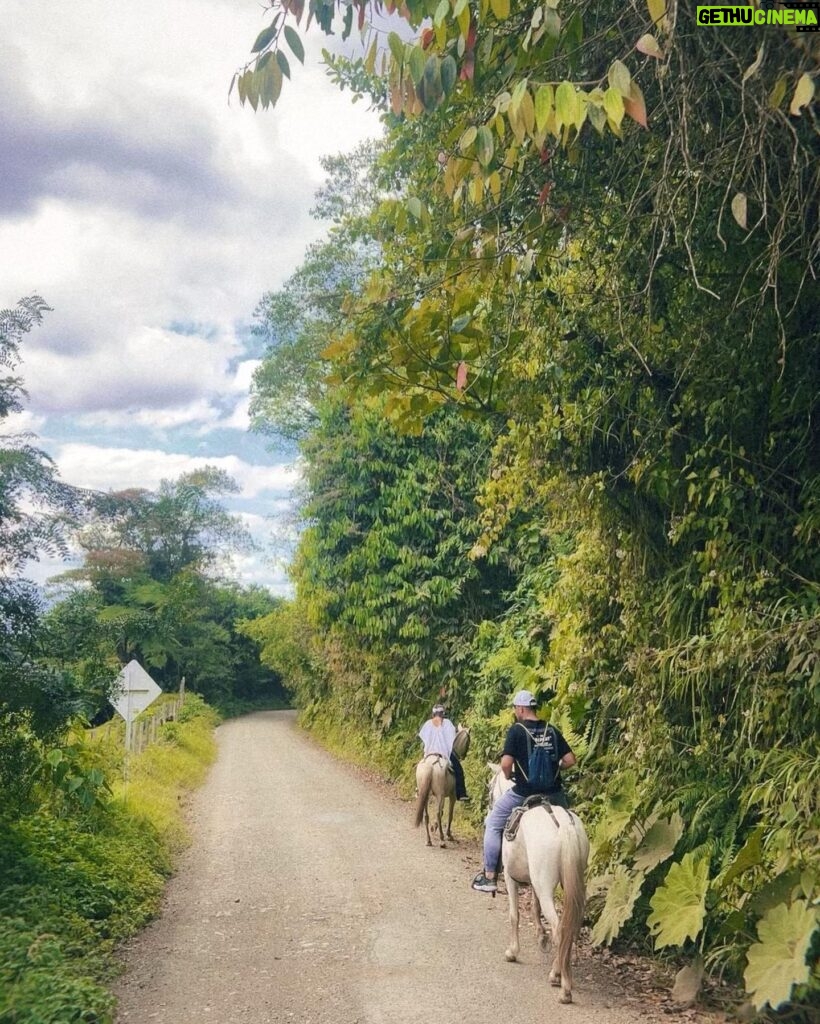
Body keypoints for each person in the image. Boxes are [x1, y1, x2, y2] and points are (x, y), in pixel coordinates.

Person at [471, 689, 576, 894]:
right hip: (554, 794)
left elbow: (506, 764)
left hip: (524, 793)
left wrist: (509, 775)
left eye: (515, 709)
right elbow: (571, 760)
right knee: (569, 825)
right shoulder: (551, 729)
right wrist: (556, 768)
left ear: (520, 708)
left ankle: (490, 876)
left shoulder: (517, 730)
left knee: (492, 823)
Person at [418, 704, 469, 801]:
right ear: (443, 714)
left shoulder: (428, 724)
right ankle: (461, 793)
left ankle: (418, 789)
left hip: (429, 753)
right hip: (445, 754)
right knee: (459, 770)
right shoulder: (448, 723)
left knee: (420, 766)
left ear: (433, 714)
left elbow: (424, 739)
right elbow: (453, 739)